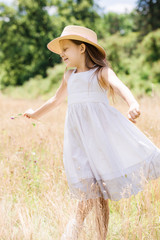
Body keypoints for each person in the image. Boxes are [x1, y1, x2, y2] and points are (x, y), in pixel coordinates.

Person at [23, 25, 160, 240]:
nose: (62, 54)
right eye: (61, 51)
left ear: (82, 48)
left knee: (100, 192)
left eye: (66, 49)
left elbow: (121, 88)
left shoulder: (101, 72)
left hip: (101, 139)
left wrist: (132, 103)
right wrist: (35, 114)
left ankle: (94, 235)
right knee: (88, 189)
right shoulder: (69, 76)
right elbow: (56, 100)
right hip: (79, 141)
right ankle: (72, 232)